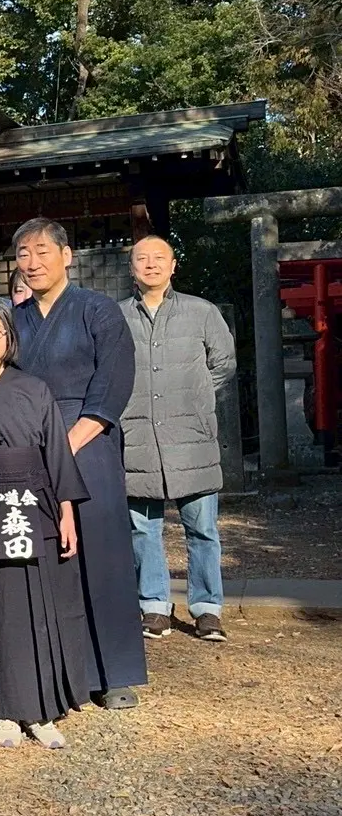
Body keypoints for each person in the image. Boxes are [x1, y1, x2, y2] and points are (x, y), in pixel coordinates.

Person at [0, 297, 92, 748]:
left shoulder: (34, 388)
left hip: (34, 502)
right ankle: (3, 711)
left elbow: (58, 454)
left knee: (37, 606)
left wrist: (66, 512)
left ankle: (41, 710)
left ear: (9, 337)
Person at [12, 217, 145, 710]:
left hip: (88, 440)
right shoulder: (14, 319)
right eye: (24, 253)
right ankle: (63, 671)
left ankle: (116, 672)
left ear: (67, 255)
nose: (33, 261)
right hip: (28, 445)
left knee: (102, 551)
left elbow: (113, 383)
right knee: (49, 557)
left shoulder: (98, 310)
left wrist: (68, 442)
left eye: (43, 250)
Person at [120, 235, 237, 643]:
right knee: (142, 528)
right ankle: (154, 605)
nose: (150, 265)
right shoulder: (116, 317)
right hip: (137, 437)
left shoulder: (201, 311)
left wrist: (194, 399)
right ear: (131, 267)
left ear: (173, 266)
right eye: (142, 259)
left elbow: (223, 364)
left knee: (203, 529)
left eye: (159, 259)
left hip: (192, 438)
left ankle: (207, 608)